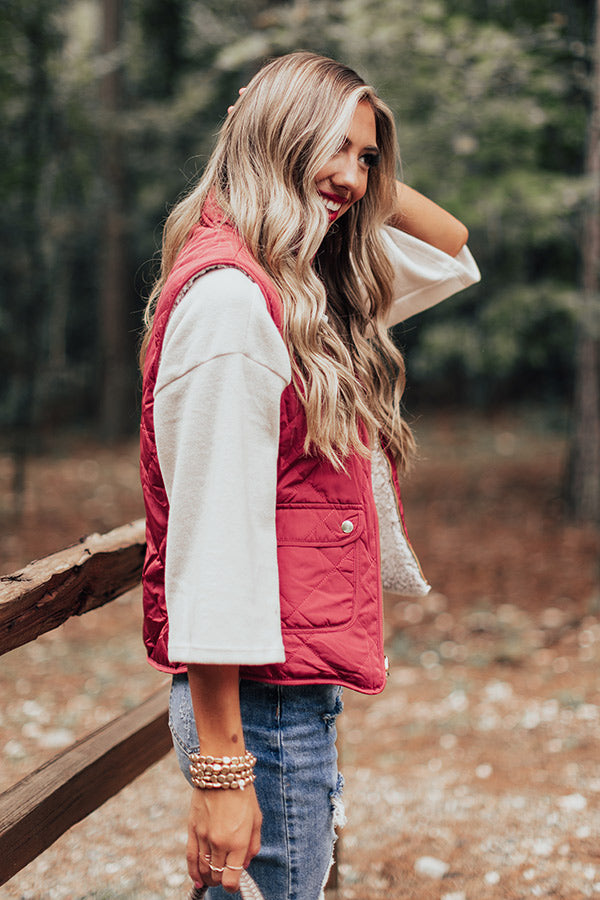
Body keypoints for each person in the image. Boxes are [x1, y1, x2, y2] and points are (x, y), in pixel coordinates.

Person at [139, 51, 480, 900]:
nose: (355, 178)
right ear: (273, 140)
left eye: (366, 156)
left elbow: (454, 249)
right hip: (259, 712)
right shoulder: (232, 306)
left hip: (287, 694)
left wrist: (343, 171)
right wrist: (222, 772)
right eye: (332, 148)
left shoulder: (299, 285)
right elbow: (212, 548)